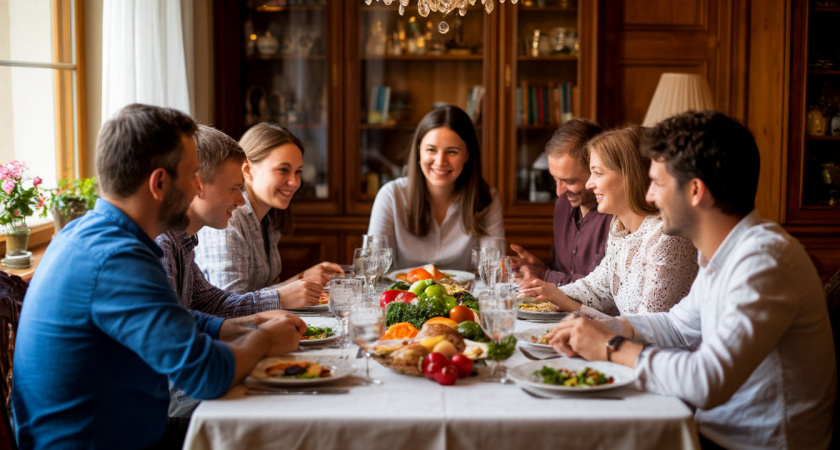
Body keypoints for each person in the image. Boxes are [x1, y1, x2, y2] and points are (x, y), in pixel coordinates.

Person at [10, 104, 306, 449]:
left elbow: (170, 317)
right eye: (193, 175)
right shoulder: (117, 259)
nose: (197, 187)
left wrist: (231, 327)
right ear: (160, 183)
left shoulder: (96, 235)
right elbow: (206, 374)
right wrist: (265, 340)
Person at [548, 111, 836, 448]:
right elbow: (677, 326)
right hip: (710, 431)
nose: (649, 196)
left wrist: (611, 347)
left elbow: (708, 381)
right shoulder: (725, 252)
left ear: (695, 190)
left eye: (658, 183)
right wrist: (604, 328)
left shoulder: (764, 261)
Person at [519, 126, 697, 317]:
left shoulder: (667, 237)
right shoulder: (619, 228)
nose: (589, 184)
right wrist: (540, 294)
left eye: (597, 173)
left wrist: (567, 303)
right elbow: (597, 289)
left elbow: (647, 326)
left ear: (630, 176)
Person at [156, 125, 315, 316]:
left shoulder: (183, 241)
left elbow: (212, 304)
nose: (241, 201)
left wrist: (284, 294)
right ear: (196, 184)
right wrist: (281, 296)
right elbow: (171, 324)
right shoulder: (161, 242)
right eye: (234, 188)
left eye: (298, 172)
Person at [195, 123, 343, 306]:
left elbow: (261, 292)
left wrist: (302, 279)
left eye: (298, 172)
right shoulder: (228, 219)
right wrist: (299, 282)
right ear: (247, 170)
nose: (295, 182)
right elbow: (231, 304)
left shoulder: (269, 218)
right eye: (283, 170)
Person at [367, 105, 504, 271]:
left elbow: (493, 269)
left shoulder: (486, 198)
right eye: (431, 150)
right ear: (419, 151)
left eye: (452, 152)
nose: (440, 161)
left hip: (466, 289)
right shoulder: (391, 195)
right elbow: (373, 268)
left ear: (467, 155)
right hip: (402, 289)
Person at [508, 118, 612, 286]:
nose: (559, 192)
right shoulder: (563, 205)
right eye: (555, 179)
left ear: (597, 171)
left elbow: (606, 289)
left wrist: (546, 275)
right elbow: (561, 272)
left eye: (569, 181)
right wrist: (540, 269)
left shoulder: (617, 215)